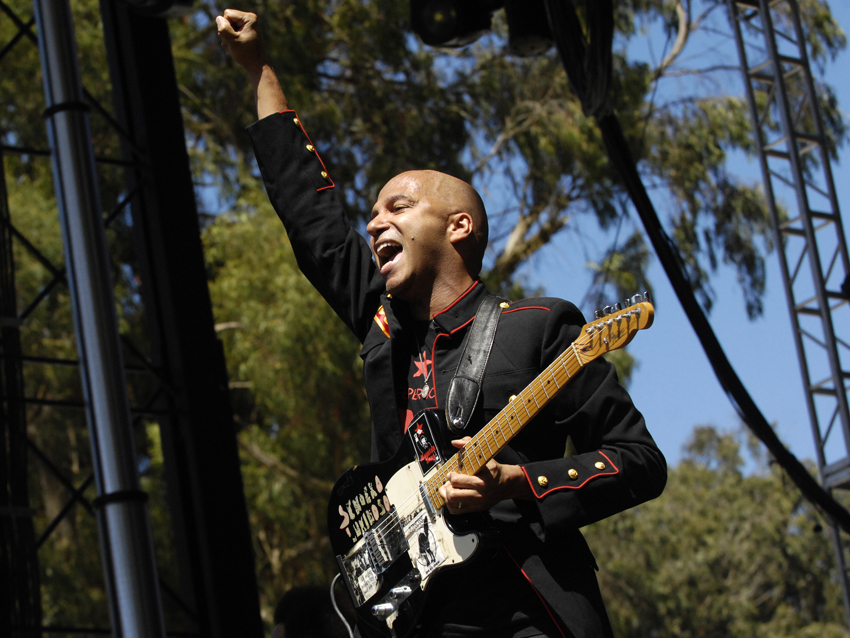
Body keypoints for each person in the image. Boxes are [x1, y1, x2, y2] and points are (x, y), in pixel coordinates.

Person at [216, 9, 667, 638]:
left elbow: (640, 461)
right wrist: (260, 69)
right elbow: (309, 217)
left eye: (398, 206)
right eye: (372, 212)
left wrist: (519, 484)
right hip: (421, 614)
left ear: (458, 227)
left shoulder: (540, 327)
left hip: (525, 609)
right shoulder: (382, 321)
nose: (375, 222)